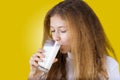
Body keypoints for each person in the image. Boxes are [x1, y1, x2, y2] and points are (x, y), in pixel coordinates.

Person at [28, 0, 120, 80]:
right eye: (53, 30)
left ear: (83, 31)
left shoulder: (108, 66)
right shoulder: (49, 65)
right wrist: (34, 76)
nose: (56, 37)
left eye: (62, 31)